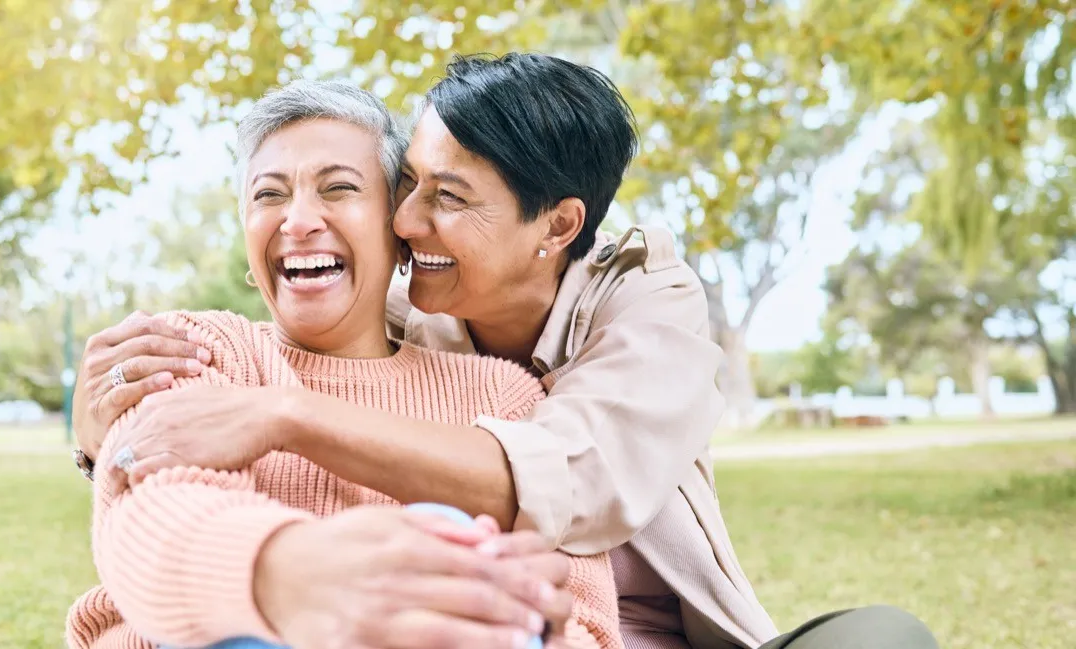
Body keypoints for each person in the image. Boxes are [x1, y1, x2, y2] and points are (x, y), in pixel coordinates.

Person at [72, 54, 937, 649]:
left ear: (557, 225)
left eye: (443, 198)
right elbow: (166, 479)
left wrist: (283, 416)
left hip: (636, 632)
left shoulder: (644, 311)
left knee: (881, 637)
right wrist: (105, 433)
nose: (411, 223)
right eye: (409, 186)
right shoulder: (296, 328)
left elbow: (565, 494)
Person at [65, 80, 623, 649]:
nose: (299, 220)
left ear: (398, 225)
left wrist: (537, 627)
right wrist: (292, 577)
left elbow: (588, 620)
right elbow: (153, 517)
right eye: (269, 195)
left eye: (338, 188)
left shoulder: (501, 395)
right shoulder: (201, 348)